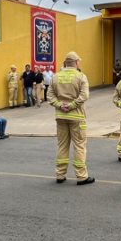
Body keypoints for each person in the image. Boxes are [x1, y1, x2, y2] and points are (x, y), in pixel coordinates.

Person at [47, 51, 94, 185]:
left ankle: (60, 174)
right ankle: (81, 176)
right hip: (77, 116)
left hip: (60, 116)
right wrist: (72, 105)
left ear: (66, 63)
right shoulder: (81, 77)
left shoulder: (56, 77)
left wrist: (60, 105)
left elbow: (50, 96)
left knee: (62, 145)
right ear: (77, 62)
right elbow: (84, 96)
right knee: (79, 146)